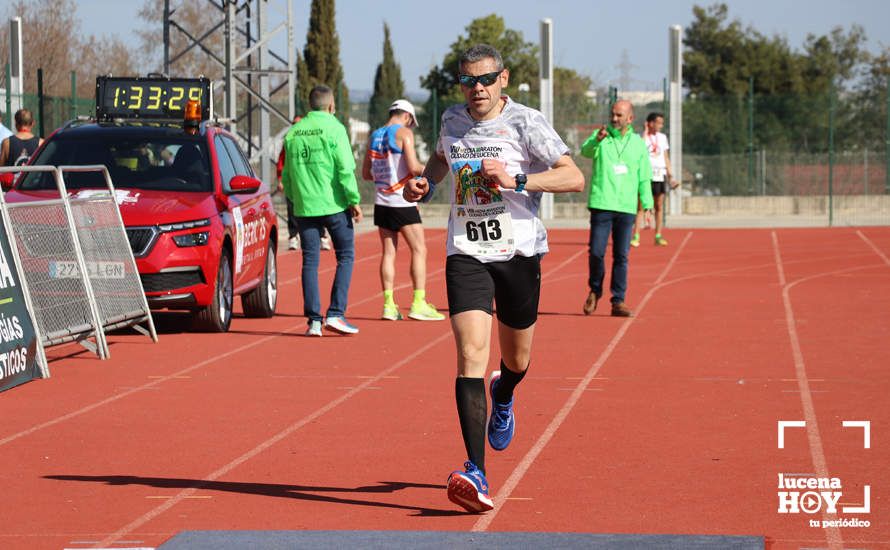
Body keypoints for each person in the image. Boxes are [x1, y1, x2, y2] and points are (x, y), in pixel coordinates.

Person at [403, 44, 584, 513]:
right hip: (466, 251)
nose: (476, 89)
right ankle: (475, 471)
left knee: (516, 360)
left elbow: (573, 177)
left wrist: (517, 180)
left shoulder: (526, 122)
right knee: (469, 355)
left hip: (518, 252)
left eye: (485, 80)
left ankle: (504, 393)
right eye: (467, 81)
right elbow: (442, 159)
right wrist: (426, 181)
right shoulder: (451, 120)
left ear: (503, 79)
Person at [281, 85, 363, 337]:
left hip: (305, 206)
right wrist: (354, 200)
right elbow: (345, 169)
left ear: (309, 106)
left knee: (310, 261)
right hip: (334, 205)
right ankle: (336, 313)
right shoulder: (335, 128)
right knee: (346, 256)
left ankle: (314, 321)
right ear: (331, 106)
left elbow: (287, 175)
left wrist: (296, 201)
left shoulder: (293, 132)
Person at [362, 99, 444, 322]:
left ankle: (388, 305)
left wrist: (385, 176)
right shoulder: (404, 133)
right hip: (403, 201)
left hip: (382, 201)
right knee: (419, 249)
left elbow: (366, 173)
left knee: (388, 253)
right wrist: (437, 168)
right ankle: (418, 302)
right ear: (407, 116)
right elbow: (414, 167)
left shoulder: (374, 136)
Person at [581, 100, 653, 318]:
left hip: (626, 207)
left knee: (621, 255)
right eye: (613, 114)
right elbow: (585, 151)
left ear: (630, 118)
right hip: (601, 203)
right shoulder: (601, 137)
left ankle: (618, 301)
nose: (614, 119)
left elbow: (644, 177)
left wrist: (647, 204)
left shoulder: (638, 144)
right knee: (596, 252)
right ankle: (595, 289)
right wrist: (596, 139)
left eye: (619, 115)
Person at [277, 116, 332, 252]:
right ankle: (293, 237)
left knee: (319, 211)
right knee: (292, 211)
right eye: (293, 124)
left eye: (298, 123)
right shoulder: (289, 141)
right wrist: (280, 180)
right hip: (294, 184)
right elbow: (282, 163)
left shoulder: (314, 140)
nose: (295, 126)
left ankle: (323, 236)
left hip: (312, 184)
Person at [631, 112, 679, 247]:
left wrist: (671, 177)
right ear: (650, 123)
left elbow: (666, 158)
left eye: (662, 123)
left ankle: (658, 235)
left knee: (659, 206)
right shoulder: (641, 137)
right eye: (658, 123)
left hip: (660, 175)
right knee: (640, 207)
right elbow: (639, 148)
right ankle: (636, 236)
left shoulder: (663, 138)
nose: (661, 125)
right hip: (646, 176)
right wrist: (645, 131)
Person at [0, 109, 44, 187]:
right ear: (33, 123)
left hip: (11, 191)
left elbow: (1, 168)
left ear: (16, 123)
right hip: (33, 189)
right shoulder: (41, 143)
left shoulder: (7, 142)